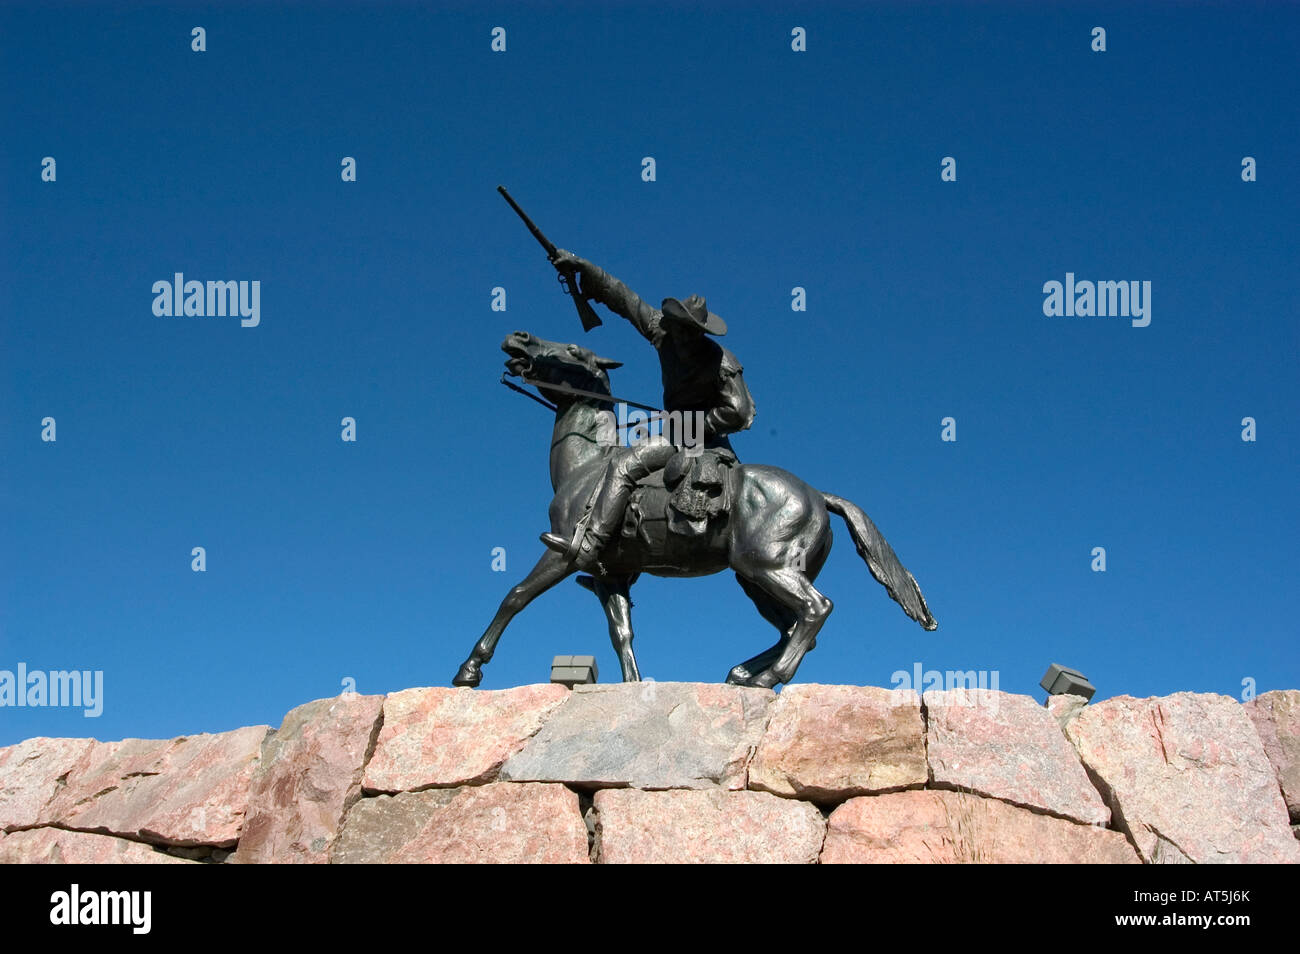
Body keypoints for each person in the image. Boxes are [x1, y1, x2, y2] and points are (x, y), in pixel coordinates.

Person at [540, 250, 756, 573]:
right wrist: (584, 267)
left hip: (702, 442)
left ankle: (590, 543)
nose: (683, 337)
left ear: (701, 332)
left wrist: (692, 425)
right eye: (681, 328)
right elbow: (627, 300)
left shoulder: (722, 362)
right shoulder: (663, 333)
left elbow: (741, 412)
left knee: (623, 465)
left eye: (691, 331)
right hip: (678, 433)